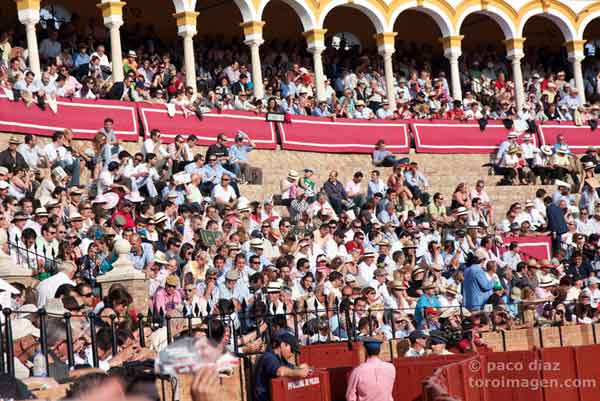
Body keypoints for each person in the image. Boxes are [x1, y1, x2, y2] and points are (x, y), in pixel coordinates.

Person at [253, 333, 311, 401]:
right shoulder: (269, 357)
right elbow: (280, 371)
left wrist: (301, 368)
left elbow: (291, 368)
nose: (292, 354)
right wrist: (298, 372)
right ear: (283, 344)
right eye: (292, 350)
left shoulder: (280, 359)